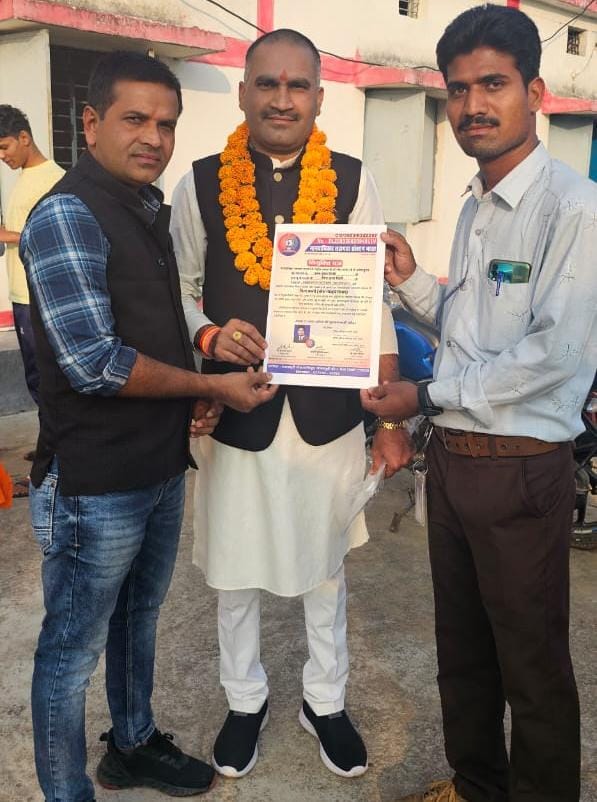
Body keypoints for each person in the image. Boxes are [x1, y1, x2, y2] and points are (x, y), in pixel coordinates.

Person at [20, 50, 277, 802]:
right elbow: (93, 361)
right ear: (90, 123)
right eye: (135, 119)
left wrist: (187, 396)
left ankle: (131, 745)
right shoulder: (67, 214)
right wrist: (209, 385)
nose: (153, 138)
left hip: (157, 467)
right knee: (70, 651)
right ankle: (67, 792)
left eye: (166, 124)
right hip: (93, 483)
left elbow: (151, 329)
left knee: (138, 619)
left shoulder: (144, 207)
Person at [360, 6, 597, 802]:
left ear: (536, 93)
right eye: (457, 89)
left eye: (492, 84)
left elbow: (551, 356)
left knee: (530, 667)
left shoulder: (573, 209)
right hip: (456, 467)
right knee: (462, 654)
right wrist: (408, 282)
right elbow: (469, 329)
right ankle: (474, 787)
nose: (472, 106)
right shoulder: (473, 203)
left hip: (520, 473)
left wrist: (423, 394)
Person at [170, 28, 414, 781]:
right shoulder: (200, 183)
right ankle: (245, 701)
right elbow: (178, 289)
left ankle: (325, 701)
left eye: (297, 84)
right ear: (243, 92)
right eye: (267, 83)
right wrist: (208, 334)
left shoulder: (350, 180)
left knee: (324, 570)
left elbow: (373, 301)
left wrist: (390, 417)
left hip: (325, 414)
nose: (282, 98)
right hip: (233, 408)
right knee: (234, 569)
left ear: (318, 97)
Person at [0, 105, 64, 457]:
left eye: (4, 146)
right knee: (36, 377)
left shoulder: (52, 179)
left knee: (47, 379)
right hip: (21, 292)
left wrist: (7, 235)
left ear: (24, 137)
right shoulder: (24, 177)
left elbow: (54, 235)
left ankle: (56, 457)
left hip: (38, 296)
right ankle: (49, 446)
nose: (2, 156)